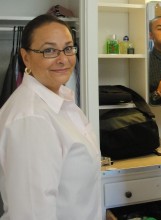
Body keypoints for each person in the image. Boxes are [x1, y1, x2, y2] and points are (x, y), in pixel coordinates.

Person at [0, 14, 101, 219]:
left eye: (68, 48)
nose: (63, 59)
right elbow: (32, 213)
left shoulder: (61, 100)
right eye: (49, 50)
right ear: (25, 56)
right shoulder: (31, 118)